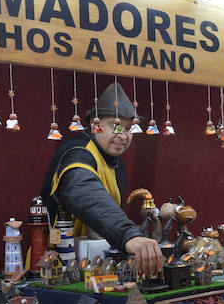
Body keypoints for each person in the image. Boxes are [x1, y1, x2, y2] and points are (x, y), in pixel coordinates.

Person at [40, 81, 162, 276]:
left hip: (96, 265)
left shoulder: (116, 162)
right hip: (60, 266)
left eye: (129, 128)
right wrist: (127, 234)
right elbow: (84, 191)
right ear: (94, 124)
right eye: (115, 126)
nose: (123, 136)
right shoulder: (78, 151)